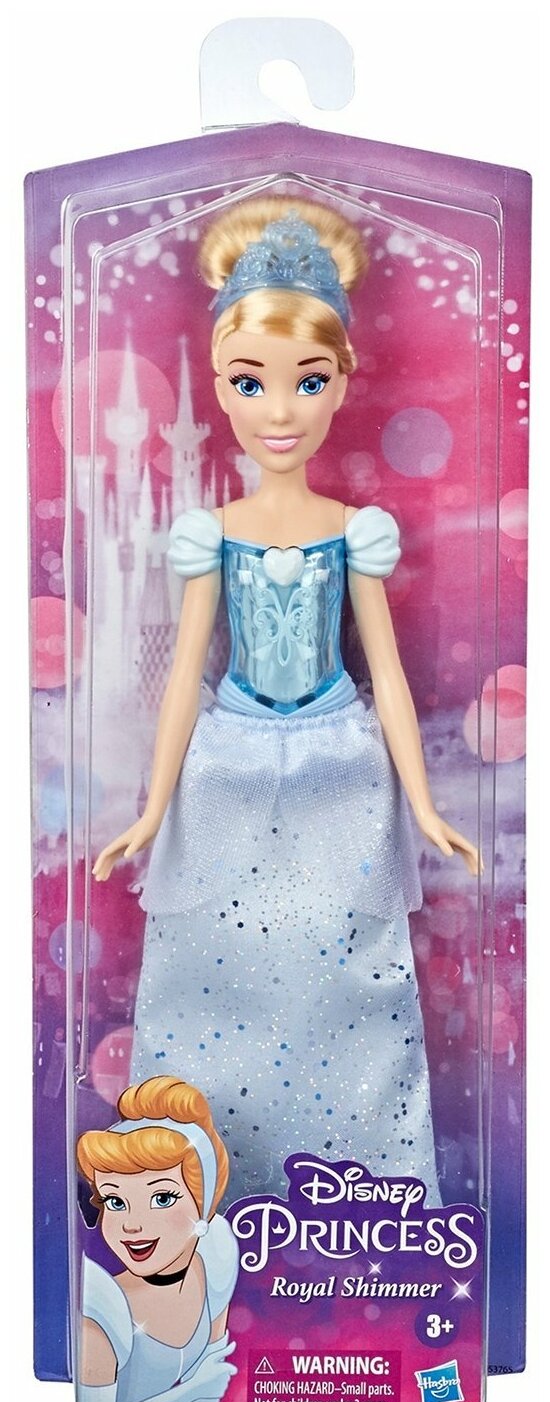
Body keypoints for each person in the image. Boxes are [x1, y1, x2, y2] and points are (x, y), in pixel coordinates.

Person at [93, 197, 480, 1205]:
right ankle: (202, 1186)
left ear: (341, 381)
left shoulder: (353, 531)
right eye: (249, 381)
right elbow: (187, 672)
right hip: (224, 767)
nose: (279, 411)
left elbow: (386, 672)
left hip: (340, 766)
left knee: (350, 974)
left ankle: (362, 1188)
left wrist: (424, 804)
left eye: (307, 381)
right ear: (219, 384)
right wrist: (151, 808)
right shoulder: (211, 532)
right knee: (210, 967)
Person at [76, 1075, 238, 1402]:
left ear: (203, 1203)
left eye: (162, 1198)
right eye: (115, 1201)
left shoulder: (215, 1259)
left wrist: (205, 1394)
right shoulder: (103, 1313)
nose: (132, 1225)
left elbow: (217, 1380)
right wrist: (194, 1393)